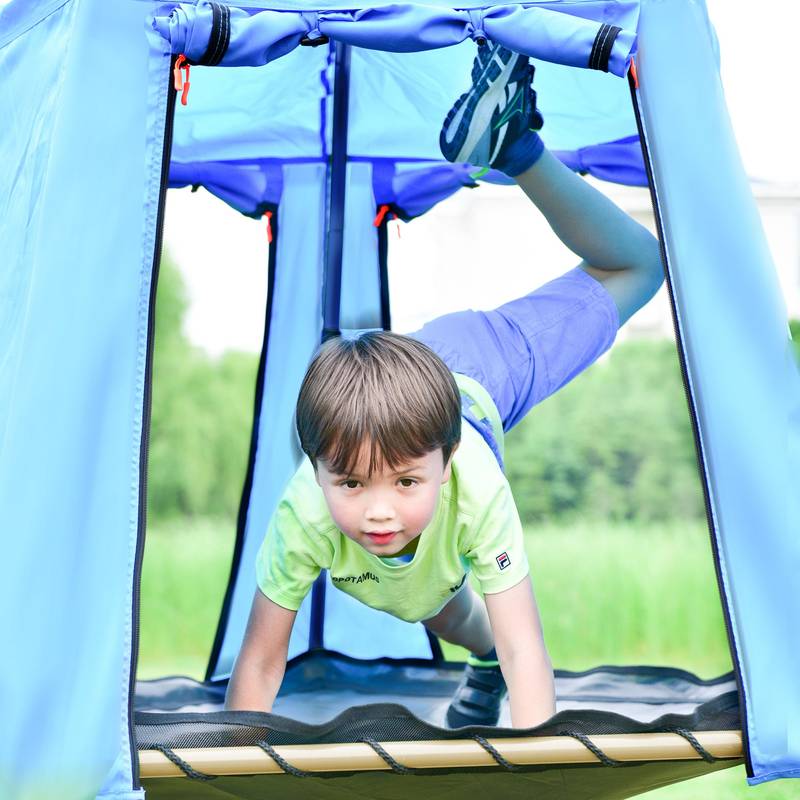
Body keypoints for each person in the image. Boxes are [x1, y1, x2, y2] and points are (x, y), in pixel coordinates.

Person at [225, 44, 664, 729]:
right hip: (391, 409)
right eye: (350, 485)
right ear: (319, 473)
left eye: (404, 483)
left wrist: (535, 781)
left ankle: (516, 148)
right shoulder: (305, 512)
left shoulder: (475, 484)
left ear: (447, 460)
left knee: (638, 266)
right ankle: (471, 663)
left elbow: (527, 651)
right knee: (435, 602)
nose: (377, 512)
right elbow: (258, 664)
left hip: (473, 366)